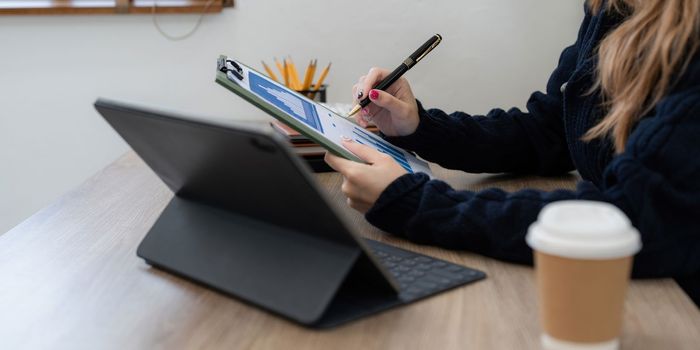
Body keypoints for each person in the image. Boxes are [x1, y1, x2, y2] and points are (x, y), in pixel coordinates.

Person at [324, 0, 700, 305]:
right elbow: (552, 130)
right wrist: (420, 126)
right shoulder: (612, 9)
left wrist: (416, 202)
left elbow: (636, 219)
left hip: (674, 307)